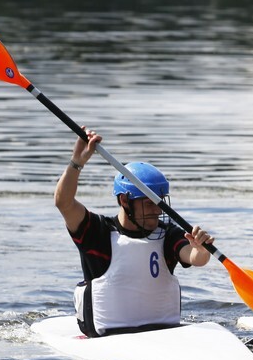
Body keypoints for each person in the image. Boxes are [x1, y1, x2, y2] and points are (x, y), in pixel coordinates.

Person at [55, 128, 214, 337]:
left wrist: (201, 249)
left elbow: (196, 258)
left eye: (160, 204)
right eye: (149, 204)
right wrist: (77, 162)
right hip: (109, 338)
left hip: (165, 334)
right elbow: (64, 203)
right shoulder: (98, 233)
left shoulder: (167, 234)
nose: (157, 211)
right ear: (124, 201)